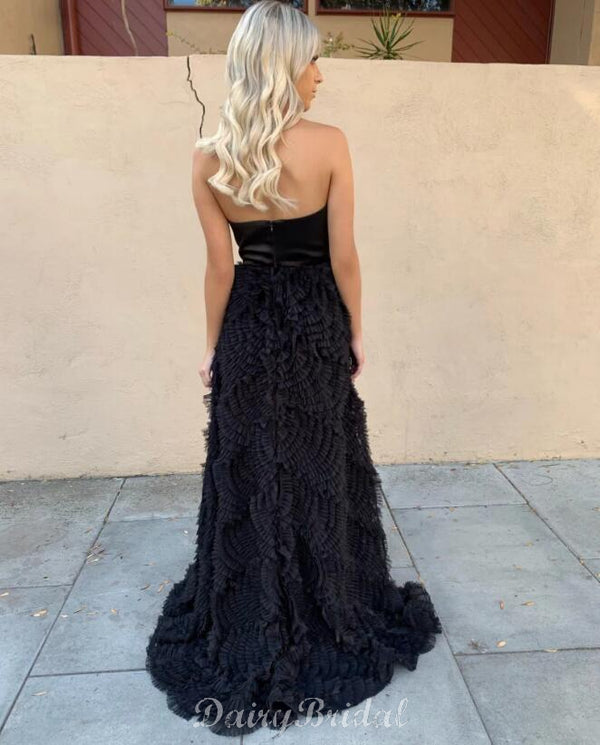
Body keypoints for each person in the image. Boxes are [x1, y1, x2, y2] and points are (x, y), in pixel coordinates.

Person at [145, 0, 442, 736]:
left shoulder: (208, 157)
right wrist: (356, 330)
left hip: (249, 323)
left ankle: (253, 607)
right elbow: (344, 256)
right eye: (312, 59)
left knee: (251, 464)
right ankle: (325, 595)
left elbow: (221, 267)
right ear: (282, 65)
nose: (319, 74)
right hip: (313, 323)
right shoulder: (330, 144)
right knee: (317, 461)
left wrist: (212, 346)